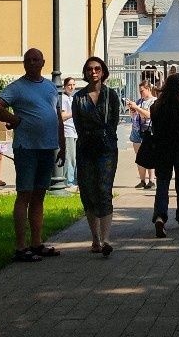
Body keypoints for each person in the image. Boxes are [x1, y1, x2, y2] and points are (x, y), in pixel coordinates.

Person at [0, 47, 65, 262]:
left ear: (43, 62)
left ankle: (37, 242)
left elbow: (57, 116)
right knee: (25, 194)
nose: (31, 63)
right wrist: (14, 120)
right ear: (24, 64)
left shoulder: (50, 87)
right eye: (27, 60)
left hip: (47, 148)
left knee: (39, 195)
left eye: (35, 59)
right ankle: (21, 247)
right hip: (26, 148)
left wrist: (62, 144)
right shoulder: (17, 88)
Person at [71, 56, 121, 256]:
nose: (93, 72)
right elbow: (77, 125)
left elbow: (114, 122)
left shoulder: (111, 96)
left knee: (104, 189)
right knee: (88, 192)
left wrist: (104, 137)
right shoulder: (79, 97)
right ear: (85, 73)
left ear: (103, 72)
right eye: (90, 69)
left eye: (97, 69)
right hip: (85, 149)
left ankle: (106, 238)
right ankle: (95, 239)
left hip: (107, 149)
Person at [148, 73, 179, 236]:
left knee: (162, 182)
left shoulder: (157, 106)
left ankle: (160, 217)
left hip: (162, 147)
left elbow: (154, 128)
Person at [126, 80, 156, 189]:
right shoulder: (139, 101)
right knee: (139, 158)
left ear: (148, 89)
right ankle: (142, 180)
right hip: (136, 131)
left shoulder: (154, 101)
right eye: (140, 91)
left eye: (142, 91)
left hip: (148, 132)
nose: (141, 93)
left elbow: (149, 115)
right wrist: (132, 109)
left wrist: (137, 108)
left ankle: (151, 180)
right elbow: (134, 115)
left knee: (149, 156)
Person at [60, 76, 78, 190]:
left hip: (74, 131)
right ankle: (68, 180)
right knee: (69, 157)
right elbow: (62, 116)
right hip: (67, 131)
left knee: (74, 157)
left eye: (73, 85)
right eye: (69, 85)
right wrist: (75, 113)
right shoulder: (63, 98)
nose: (71, 87)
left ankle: (73, 180)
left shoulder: (72, 98)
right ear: (64, 86)